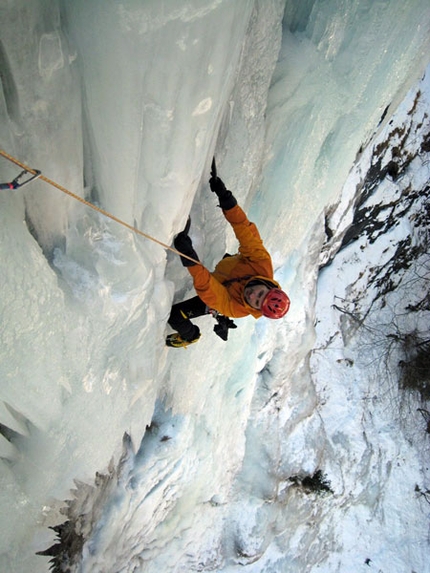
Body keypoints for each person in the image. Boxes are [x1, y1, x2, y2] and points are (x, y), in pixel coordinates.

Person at [166, 168, 290, 348]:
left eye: (256, 301)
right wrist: (225, 198)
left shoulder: (236, 309)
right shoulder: (261, 262)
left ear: (255, 309)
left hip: (222, 296)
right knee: (239, 250)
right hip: (231, 271)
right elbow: (244, 229)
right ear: (269, 284)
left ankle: (191, 335)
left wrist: (189, 256)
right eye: (261, 293)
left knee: (175, 315)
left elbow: (207, 286)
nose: (253, 295)